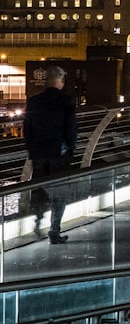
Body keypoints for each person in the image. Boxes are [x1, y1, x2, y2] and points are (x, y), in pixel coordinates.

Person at [24, 66, 77, 244]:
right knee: (59, 194)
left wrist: (32, 149)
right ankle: (54, 231)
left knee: (39, 189)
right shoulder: (66, 100)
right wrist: (71, 148)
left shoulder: (34, 101)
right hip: (58, 154)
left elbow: (27, 129)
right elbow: (70, 129)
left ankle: (38, 223)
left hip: (39, 153)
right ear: (61, 81)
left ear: (47, 80)